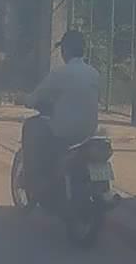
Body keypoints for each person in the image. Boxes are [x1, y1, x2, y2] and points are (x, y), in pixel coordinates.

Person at [17, 29, 100, 202]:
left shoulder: (59, 73)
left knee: (32, 126)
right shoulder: (94, 73)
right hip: (89, 133)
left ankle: (34, 182)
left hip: (64, 132)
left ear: (66, 50)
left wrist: (23, 98)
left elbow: (35, 98)